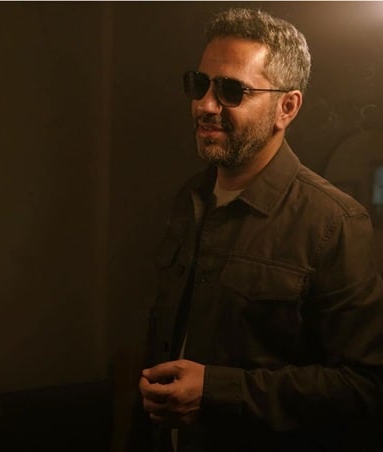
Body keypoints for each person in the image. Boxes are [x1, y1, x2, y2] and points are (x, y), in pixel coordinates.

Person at [126, 7, 383, 452]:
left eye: (231, 90)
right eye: (199, 84)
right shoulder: (190, 200)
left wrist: (216, 393)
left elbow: (365, 386)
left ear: (287, 107)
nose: (206, 105)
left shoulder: (333, 223)